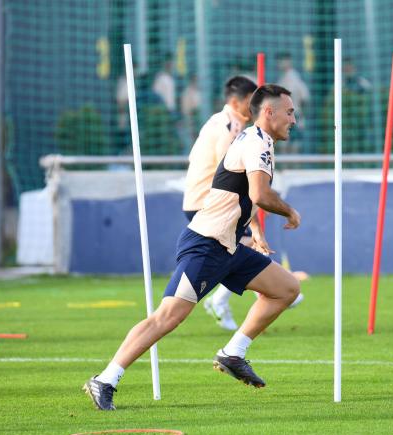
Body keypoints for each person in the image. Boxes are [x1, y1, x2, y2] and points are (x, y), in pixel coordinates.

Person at [84, 84, 301, 410]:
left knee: (286, 289)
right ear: (268, 112)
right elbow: (260, 195)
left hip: (229, 246)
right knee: (167, 317)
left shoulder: (256, 139)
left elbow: (243, 195)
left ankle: (233, 353)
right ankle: (105, 379)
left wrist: (253, 229)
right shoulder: (256, 142)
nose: (294, 120)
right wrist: (290, 211)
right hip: (205, 245)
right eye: (290, 112)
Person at [183, 76, 302, 331]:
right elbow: (238, 182)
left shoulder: (217, 121)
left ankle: (266, 291)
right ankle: (223, 300)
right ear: (236, 102)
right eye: (250, 102)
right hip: (211, 205)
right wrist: (262, 225)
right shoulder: (234, 130)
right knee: (238, 250)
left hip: (200, 199)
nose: (253, 109)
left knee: (239, 250)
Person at [276, 53, 310, 146]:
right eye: (279, 61)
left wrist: (300, 117)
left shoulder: (294, 78)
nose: (279, 63)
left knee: (293, 149)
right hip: (285, 119)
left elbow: (304, 98)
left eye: (282, 60)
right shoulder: (282, 78)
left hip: (294, 119)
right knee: (285, 149)